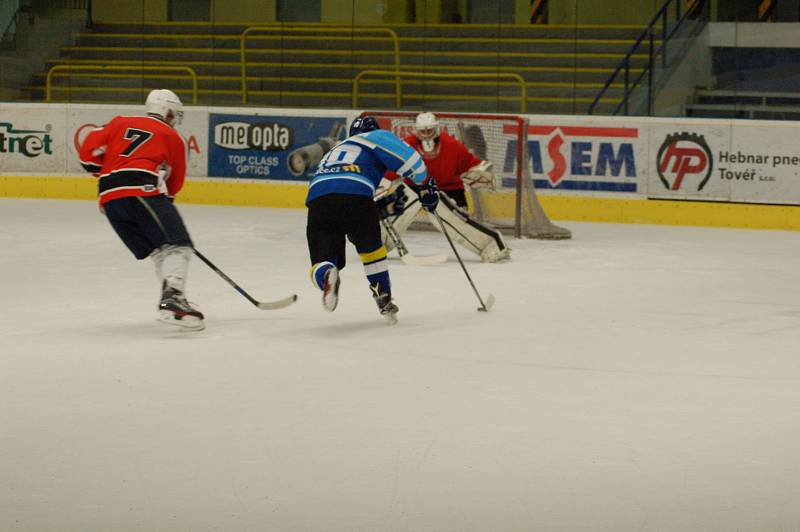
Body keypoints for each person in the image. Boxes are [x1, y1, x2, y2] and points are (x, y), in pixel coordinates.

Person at [78, 89, 204, 331]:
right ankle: (174, 297)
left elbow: (88, 159)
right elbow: (175, 182)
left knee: (159, 249)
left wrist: (113, 167)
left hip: (109, 199)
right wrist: (164, 204)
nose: (174, 120)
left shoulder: (118, 123)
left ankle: (173, 299)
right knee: (178, 244)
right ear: (167, 112)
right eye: (174, 115)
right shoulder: (172, 136)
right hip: (142, 189)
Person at [305, 116, 435, 324]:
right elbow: (414, 164)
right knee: (372, 251)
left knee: (322, 260)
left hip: (318, 200)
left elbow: (339, 181)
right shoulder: (375, 137)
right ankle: (383, 298)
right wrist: (426, 185)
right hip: (356, 196)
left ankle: (326, 275)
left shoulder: (336, 149)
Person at [381, 112, 510, 263]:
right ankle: (379, 242)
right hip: (416, 189)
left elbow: (470, 165)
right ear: (417, 131)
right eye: (423, 131)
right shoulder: (407, 145)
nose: (426, 134)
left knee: (449, 215)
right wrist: (379, 182)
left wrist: (480, 170)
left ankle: (494, 244)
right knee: (392, 207)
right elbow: (392, 169)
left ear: (436, 129)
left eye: (430, 130)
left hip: (450, 191)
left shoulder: (451, 145)